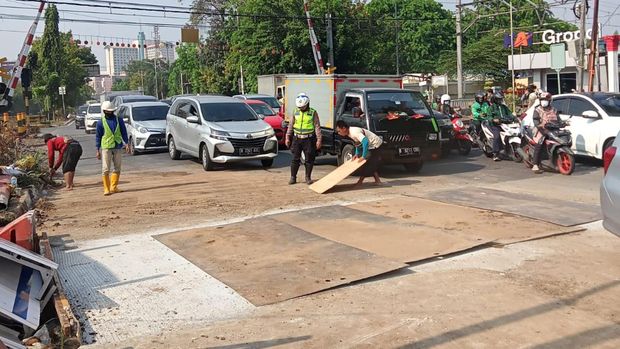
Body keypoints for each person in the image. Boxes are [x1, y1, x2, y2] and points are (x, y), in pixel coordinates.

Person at [285, 93, 322, 185]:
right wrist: (287, 137)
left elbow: (317, 126)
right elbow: (290, 125)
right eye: (299, 107)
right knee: (295, 159)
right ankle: (293, 177)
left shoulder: (313, 112)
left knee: (309, 159)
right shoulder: (295, 112)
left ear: (307, 104)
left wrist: (319, 139)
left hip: (309, 139)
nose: (301, 108)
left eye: (303, 107)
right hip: (297, 138)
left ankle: (308, 177)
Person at [96, 100, 129, 195]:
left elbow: (124, 132)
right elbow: (98, 136)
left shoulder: (119, 120)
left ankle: (113, 187)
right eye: (108, 111)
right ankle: (106, 188)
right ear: (104, 111)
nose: (109, 112)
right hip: (106, 147)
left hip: (118, 146)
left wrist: (126, 143)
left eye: (111, 111)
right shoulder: (100, 122)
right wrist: (97, 149)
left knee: (117, 167)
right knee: (106, 169)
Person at [335, 120, 383, 186]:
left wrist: (363, 156)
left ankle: (360, 181)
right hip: (370, 145)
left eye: (339, 131)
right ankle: (377, 180)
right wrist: (356, 154)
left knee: (368, 164)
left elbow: (365, 141)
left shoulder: (354, 132)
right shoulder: (349, 133)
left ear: (344, 128)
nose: (338, 133)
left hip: (375, 144)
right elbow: (357, 143)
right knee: (370, 164)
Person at [531, 92, 559, 174]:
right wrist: (539, 126)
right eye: (542, 100)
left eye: (545, 100)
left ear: (549, 101)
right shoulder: (537, 110)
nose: (544, 102)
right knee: (539, 144)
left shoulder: (554, 110)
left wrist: (563, 123)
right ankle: (535, 164)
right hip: (540, 130)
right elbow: (536, 120)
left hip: (552, 130)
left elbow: (558, 119)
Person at [486, 92, 515, 161]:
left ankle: (508, 151)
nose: (500, 101)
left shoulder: (504, 107)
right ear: (495, 100)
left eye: (501, 99)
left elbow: (510, 114)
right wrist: (493, 120)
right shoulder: (491, 108)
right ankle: (495, 153)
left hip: (506, 124)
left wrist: (514, 117)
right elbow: (489, 117)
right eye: (499, 99)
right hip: (495, 125)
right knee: (497, 136)